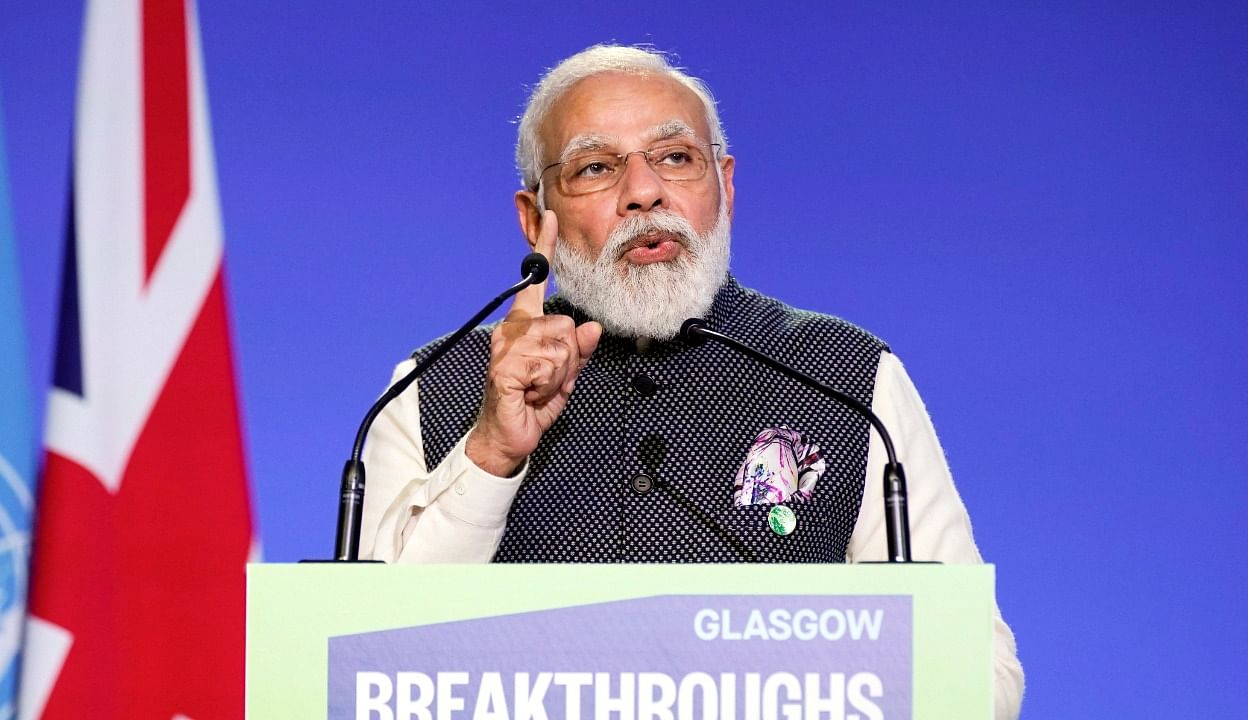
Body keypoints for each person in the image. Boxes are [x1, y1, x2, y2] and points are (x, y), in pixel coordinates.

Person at [360, 44, 1024, 717]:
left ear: (726, 186)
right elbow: (361, 667)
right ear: (537, 222)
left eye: (675, 157)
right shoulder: (432, 387)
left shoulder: (847, 376)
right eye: (596, 167)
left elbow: (977, 674)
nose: (644, 192)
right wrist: (491, 455)